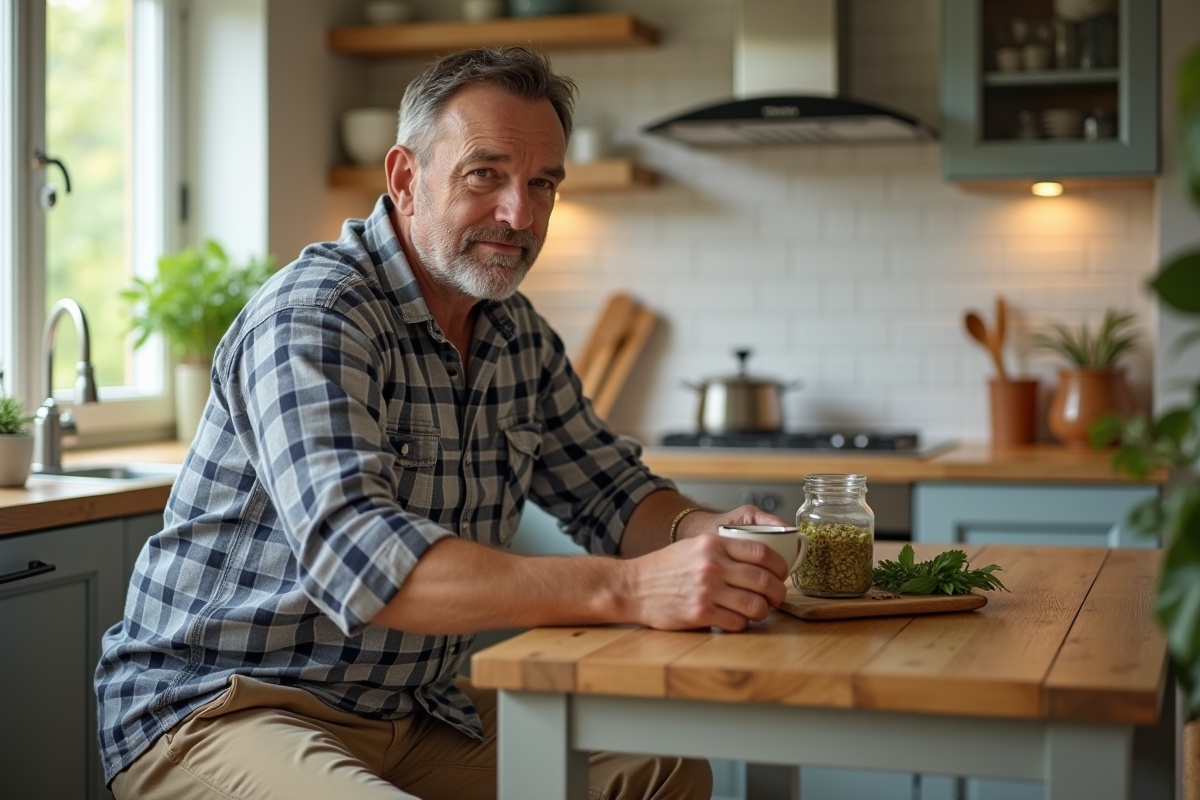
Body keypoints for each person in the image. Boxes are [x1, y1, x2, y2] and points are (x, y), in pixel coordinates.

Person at [95, 46, 790, 800]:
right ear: (405, 178)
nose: (518, 214)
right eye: (485, 174)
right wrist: (628, 590)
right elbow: (363, 560)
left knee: (661, 773)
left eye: (542, 183)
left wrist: (705, 534)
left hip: (412, 713)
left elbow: (613, 494)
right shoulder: (317, 315)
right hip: (226, 706)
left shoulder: (517, 334)